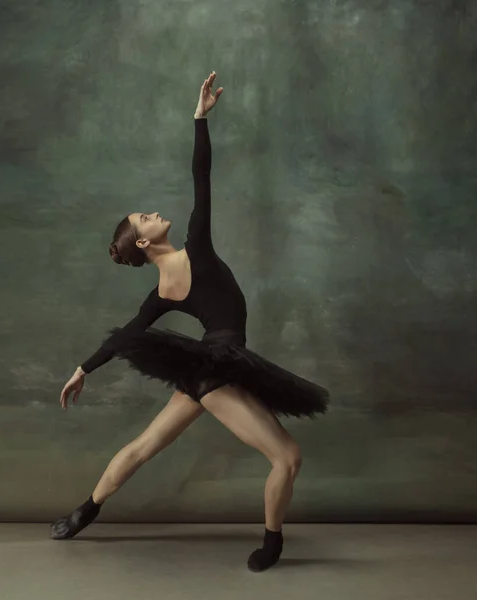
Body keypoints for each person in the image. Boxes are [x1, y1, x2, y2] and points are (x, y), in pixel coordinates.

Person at [50, 72, 329, 573]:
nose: (154, 213)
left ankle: (83, 513)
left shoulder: (160, 294)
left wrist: (82, 369)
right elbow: (202, 176)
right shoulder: (195, 246)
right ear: (142, 242)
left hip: (206, 369)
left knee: (143, 447)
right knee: (287, 458)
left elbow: (125, 338)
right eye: (145, 218)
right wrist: (199, 120)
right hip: (217, 368)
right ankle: (271, 544)